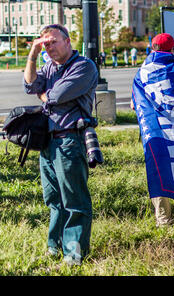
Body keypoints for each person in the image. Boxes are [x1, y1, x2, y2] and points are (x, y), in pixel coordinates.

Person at [23, 24, 98, 265]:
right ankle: (54, 247)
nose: (49, 47)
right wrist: (32, 56)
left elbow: (55, 96)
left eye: (54, 41)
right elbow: (30, 86)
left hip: (70, 140)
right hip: (48, 141)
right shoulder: (49, 66)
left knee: (74, 201)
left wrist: (44, 95)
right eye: (45, 44)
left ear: (68, 41)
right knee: (54, 199)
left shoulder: (84, 66)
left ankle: (74, 254)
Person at [130, 33, 174, 227]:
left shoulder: (142, 73)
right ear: (172, 49)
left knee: (159, 173)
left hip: (155, 133)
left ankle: (163, 219)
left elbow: (134, 104)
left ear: (152, 49)